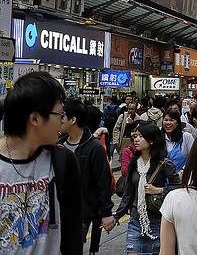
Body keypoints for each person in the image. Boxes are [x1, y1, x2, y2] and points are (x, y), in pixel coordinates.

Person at [0, 71, 83, 254]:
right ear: (35, 119)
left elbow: (72, 233)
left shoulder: (64, 161)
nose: (62, 122)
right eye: (59, 115)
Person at [58, 98, 116, 255]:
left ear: (73, 120)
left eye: (62, 116)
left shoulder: (94, 147)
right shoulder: (59, 145)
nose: (59, 119)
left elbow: (103, 182)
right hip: (58, 213)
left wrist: (106, 213)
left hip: (81, 213)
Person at [114, 122, 181, 253]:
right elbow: (128, 193)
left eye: (140, 136)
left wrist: (160, 190)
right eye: (135, 135)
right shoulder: (134, 163)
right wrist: (117, 216)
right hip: (135, 221)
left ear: (151, 141)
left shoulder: (164, 164)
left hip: (157, 221)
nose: (136, 139)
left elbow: (179, 187)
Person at [162, 109, 195, 174]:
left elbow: (194, 157)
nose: (168, 123)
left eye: (171, 120)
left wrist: (182, 172)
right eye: (166, 120)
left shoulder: (186, 137)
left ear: (178, 123)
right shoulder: (160, 138)